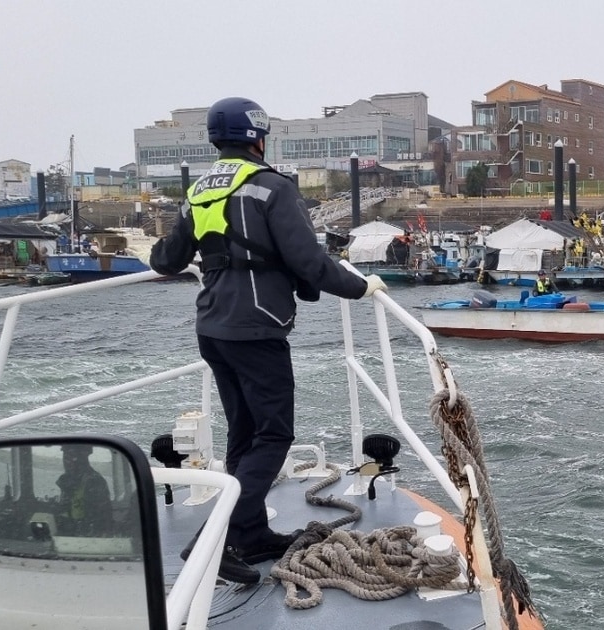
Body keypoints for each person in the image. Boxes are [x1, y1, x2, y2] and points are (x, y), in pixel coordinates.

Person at [134, 97, 387, 583]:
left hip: (212, 327)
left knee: (244, 434)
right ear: (258, 136)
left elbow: (165, 260)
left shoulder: (199, 192)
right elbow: (309, 262)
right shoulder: (272, 188)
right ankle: (213, 539)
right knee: (273, 435)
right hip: (257, 327)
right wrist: (361, 286)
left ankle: (248, 535)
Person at [56, 444, 112, 537]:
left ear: (83, 458)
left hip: (87, 539)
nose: (68, 461)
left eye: (73, 456)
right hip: (66, 536)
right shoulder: (66, 480)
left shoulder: (94, 481)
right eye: (65, 456)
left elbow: (103, 519)